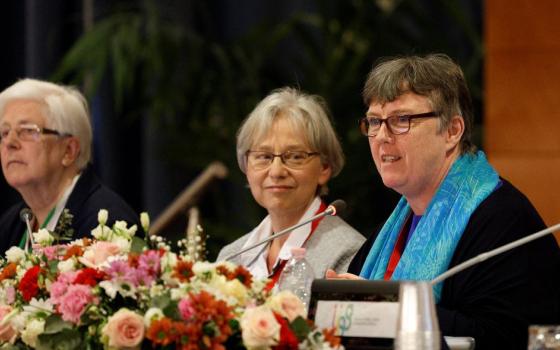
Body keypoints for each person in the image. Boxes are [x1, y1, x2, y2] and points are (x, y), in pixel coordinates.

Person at [327, 54, 560, 349]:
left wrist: (389, 308)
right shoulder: (397, 223)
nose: (382, 137)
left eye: (401, 120)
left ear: (452, 131)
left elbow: (508, 338)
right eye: (375, 121)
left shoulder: (503, 218)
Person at [217, 87, 365, 285]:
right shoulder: (231, 257)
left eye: (295, 157)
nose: (276, 171)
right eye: (264, 157)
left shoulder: (348, 253)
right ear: (245, 166)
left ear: (324, 168)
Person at [0, 79, 140, 254]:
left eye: (28, 130)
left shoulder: (107, 224)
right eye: (5, 132)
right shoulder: (11, 224)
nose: (10, 143)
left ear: (69, 150)